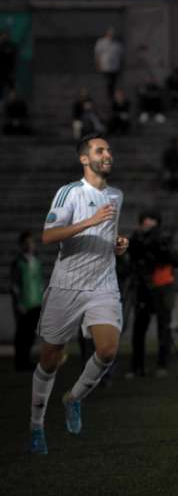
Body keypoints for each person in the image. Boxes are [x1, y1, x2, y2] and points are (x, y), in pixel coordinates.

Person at [29, 134, 128, 455]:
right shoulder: (69, 192)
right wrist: (90, 221)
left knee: (108, 350)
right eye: (100, 150)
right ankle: (36, 427)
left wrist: (117, 244)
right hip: (67, 286)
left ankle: (73, 398)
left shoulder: (116, 195)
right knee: (50, 359)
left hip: (103, 284)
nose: (107, 154)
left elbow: (106, 232)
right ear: (85, 159)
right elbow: (49, 236)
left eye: (108, 149)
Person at [128, 211, 178, 378]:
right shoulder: (136, 239)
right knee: (139, 328)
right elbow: (132, 258)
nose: (148, 224)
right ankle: (137, 367)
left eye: (151, 221)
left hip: (162, 286)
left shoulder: (162, 239)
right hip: (143, 287)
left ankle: (162, 365)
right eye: (145, 221)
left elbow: (176, 260)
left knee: (163, 327)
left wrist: (161, 248)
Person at [10, 231, 45, 371]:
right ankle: (20, 362)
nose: (30, 245)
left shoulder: (37, 262)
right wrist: (18, 303)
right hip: (24, 304)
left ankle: (26, 361)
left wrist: (42, 300)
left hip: (36, 303)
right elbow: (14, 286)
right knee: (21, 334)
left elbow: (40, 283)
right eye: (26, 242)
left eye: (31, 242)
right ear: (21, 245)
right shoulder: (17, 263)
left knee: (30, 334)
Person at [94, 28, 123, 101]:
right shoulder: (101, 42)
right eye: (110, 34)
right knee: (107, 83)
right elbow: (97, 54)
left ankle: (112, 97)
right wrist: (98, 65)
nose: (111, 35)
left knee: (113, 83)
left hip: (115, 67)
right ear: (107, 34)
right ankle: (108, 97)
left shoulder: (117, 44)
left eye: (112, 34)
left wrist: (120, 66)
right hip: (105, 67)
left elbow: (121, 56)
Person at [0, 30, 17, 97]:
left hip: (8, 69)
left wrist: (12, 70)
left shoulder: (10, 46)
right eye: (2, 36)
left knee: (11, 84)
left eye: (5, 36)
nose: (4, 37)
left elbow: (13, 57)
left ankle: (12, 97)